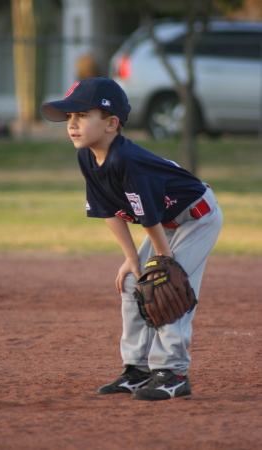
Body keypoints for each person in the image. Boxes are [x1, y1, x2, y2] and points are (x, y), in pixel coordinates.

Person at [41, 77, 223, 402]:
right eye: (70, 118)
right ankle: (138, 370)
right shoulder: (87, 156)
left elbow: (150, 217)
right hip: (164, 223)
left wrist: (163, 263)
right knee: (133, 283)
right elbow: (109, 210)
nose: (72, 124)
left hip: (198, 217)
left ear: (111, 124)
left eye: (82, 116)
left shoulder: (127, 160)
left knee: (166, 287)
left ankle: (173, 373)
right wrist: (131, 259)